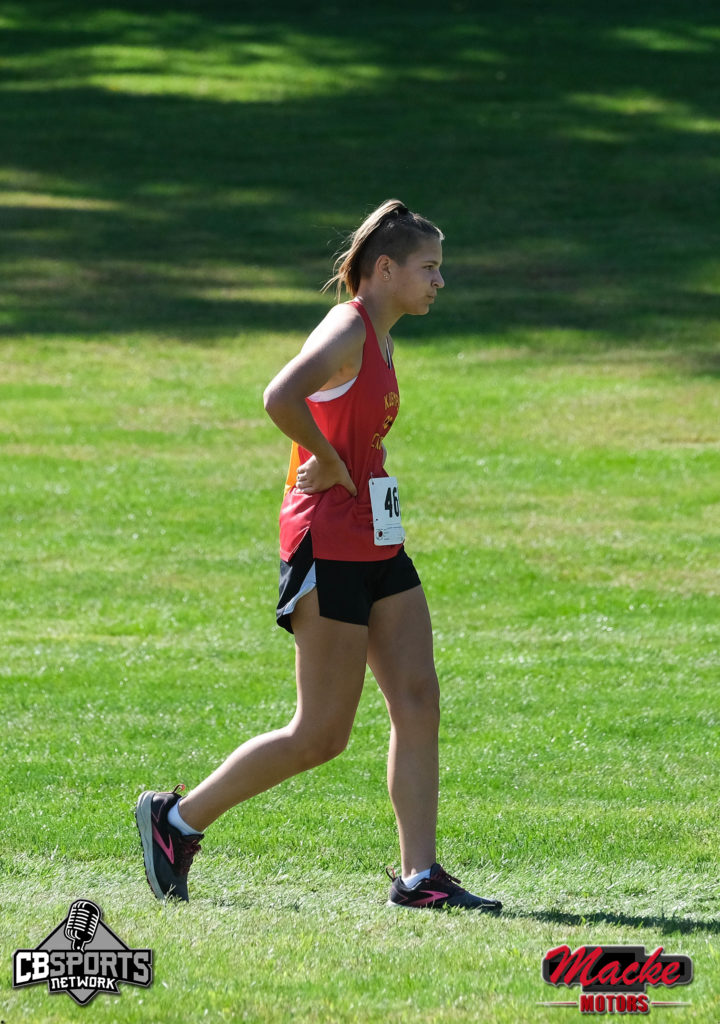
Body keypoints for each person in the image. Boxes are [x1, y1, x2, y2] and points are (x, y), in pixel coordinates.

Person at [135, 199, 502, 912]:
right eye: (429, 268)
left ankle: (419, 877)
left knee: (418, 698)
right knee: (321, 734)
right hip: (327, 543)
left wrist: (350, 460)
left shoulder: (382, 337)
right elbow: (280, 395)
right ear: (385, 269)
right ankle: (175, 821)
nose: (439, 281)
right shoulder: (348, 327)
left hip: (376, 537)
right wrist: (329, 460)